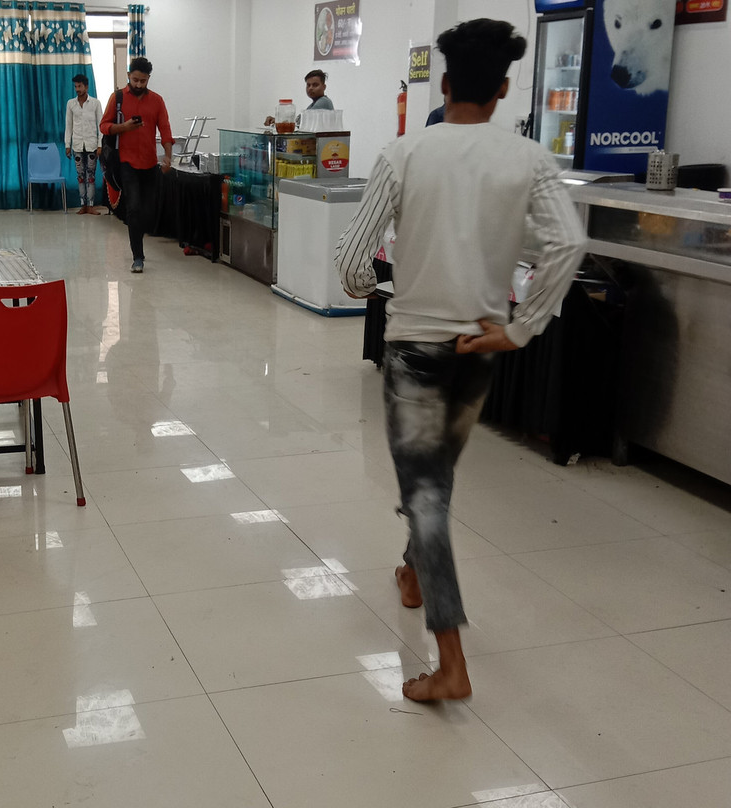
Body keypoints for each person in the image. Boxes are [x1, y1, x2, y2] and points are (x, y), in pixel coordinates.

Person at [335, 19, 585, 702]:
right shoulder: (529, 158)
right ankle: (414, 571)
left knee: (426, 494)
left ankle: (451, 664)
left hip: (414, 350)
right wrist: (522, 329)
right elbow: (567, 243)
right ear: (503, 90)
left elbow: (352, 259)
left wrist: (375, 289)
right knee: (434, 480)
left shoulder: (405, 152)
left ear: (443, 85)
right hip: (479, 348)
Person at [99, 56, 174, 273]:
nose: (139, 84)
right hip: (126, 162)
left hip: (150, 164)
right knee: (133, 209)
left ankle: (138, 245)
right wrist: (124, 127)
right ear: (128, 76)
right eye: (135, 80)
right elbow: (104, 126)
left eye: (143, 81)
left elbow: (165, 130)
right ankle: (137, 257)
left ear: (148, 78)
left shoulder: (157, 101)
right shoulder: (117, 98)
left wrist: (168, 156)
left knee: (148, 211)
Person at [65, 73, 103, 215]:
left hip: (92, 144)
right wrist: (67, 145)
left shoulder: (95, 103)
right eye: (75, 86)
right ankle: (83, 205)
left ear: (86, 87)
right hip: (77, 145)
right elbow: (68, 126)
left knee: (91, 176)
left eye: (79, 86)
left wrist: (100, 144)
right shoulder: (71, 104)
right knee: (80, 176)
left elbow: (101, 125)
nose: (77, 89)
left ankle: (91, 205)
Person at [264, 69, 334, 126]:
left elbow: (300, 124)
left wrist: (279, 122)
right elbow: (297, 122)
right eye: (308, 85)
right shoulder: (312, 105)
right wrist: (277, 121)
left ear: (324, 87)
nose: (310, 88)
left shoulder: (324, 102)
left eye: (315, 85)